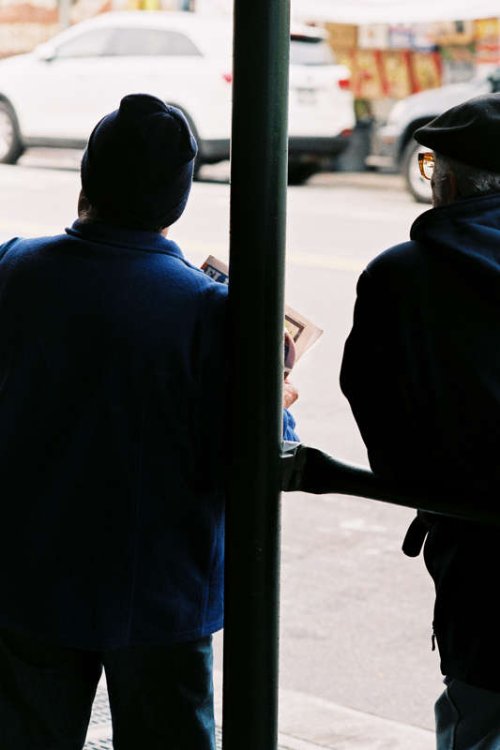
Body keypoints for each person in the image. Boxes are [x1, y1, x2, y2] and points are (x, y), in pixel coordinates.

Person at [0, 93, 298, 750]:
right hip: (161, 591)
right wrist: (276, 391)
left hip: (25, 580)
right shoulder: (210, 309)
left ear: (87, 178)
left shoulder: (12, 266)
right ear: (177, 200)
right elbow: (261, 452)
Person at [337, 93, 500, 749]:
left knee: (478, 720)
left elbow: (380, 420)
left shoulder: (399, 278)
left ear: (446, 182)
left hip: (478, 563)